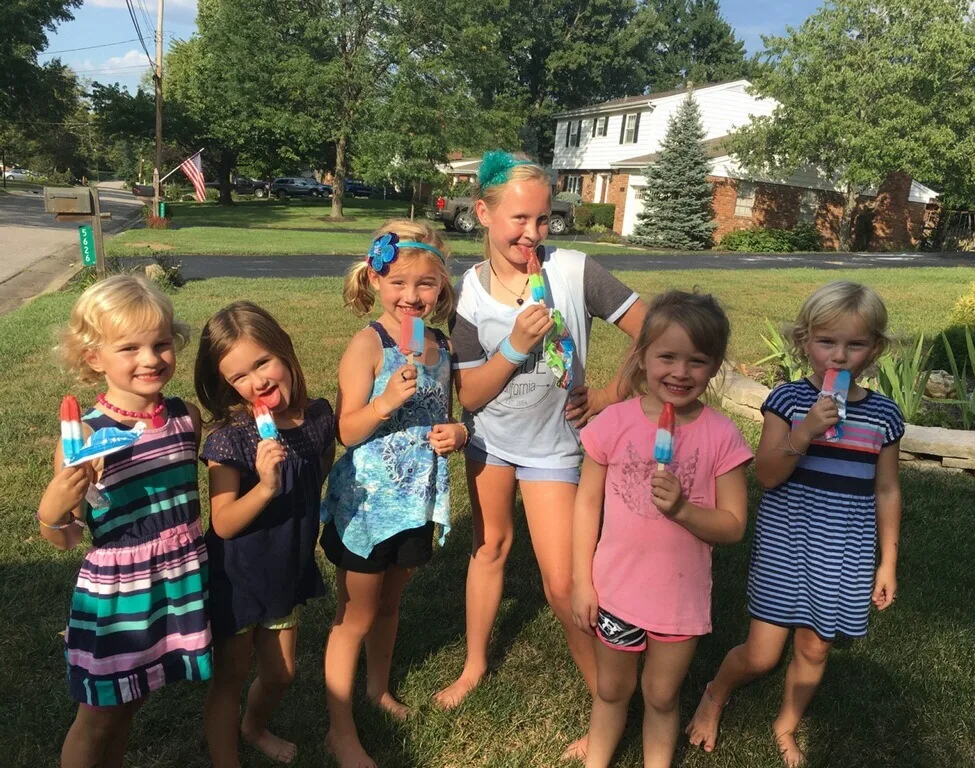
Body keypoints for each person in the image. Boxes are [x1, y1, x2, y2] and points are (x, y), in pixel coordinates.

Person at [435, 150, 646, 759]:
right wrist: (517, 345)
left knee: (561, 583)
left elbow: (658, 330)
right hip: (489, 442)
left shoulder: (576, 271)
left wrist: (606, 394)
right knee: (489, 548)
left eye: (543, 219)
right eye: (518, 219)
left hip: (554, 448)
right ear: (482, 213)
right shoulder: (468, 294)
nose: (532, 233)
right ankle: (475, 665)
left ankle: (607, 694)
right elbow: (470, 392)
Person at [686, 281, 904, 767]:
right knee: (762, 655)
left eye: (855, 345)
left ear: (876, 349)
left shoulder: (884, 415)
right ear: (804, 341)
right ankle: (716, 691)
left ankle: (785, 725)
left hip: (846, 550)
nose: (839, 356)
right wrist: (807, 429)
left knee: (815, 648)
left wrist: (887, 561)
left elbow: (887, 489)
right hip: (788, 545)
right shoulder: (785, 400)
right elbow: (767, 474)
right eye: (827, 342)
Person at [37, 275, 212, 768]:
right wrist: (52, 510)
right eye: (129, 348)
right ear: (94, 358)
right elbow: (67, 536)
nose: (150, 359)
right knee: (97, 716)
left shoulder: (185, 418)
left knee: (130, 702)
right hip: (120, 593)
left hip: (177, 580)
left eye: (160, 344)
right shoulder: (85, 438)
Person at [571, 290, 752, 767]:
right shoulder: (614, 422)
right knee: (611, 690)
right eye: (666, 356)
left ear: (714, 367)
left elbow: (733, 526)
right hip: (615, 590)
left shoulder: (722, 435)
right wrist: (582, 580)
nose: (679, 372)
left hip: (679, 599)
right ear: (641, 356)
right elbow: (586, 501)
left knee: (660, 695)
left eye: (696, 361)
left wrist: (685, 511)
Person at [321, 220, 464, 768]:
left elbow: (441, 416)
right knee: (355, 615)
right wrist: (384, 403)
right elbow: (347, 429)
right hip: (367, 506)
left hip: (414, 502)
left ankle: (377, 690)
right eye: (398, 282)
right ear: (375, 281)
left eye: (425, 284)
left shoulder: (441, 346)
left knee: (390, 605)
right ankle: (340, 728)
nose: (411, 296)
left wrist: (458, 433)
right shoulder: (369, 344)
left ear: (441, 287)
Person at [194, 302, 335, 766]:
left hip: (285, 567)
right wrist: (267, 487)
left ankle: (253, 727)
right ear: (225, 385)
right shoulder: (230, 437)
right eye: (238, 377)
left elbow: (318, 475)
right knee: (231, 678)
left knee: (281, 673)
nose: (256, 381)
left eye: (262, 362)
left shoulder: (317, 418)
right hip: (237, 577)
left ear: (284, 350)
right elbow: (224, 522)